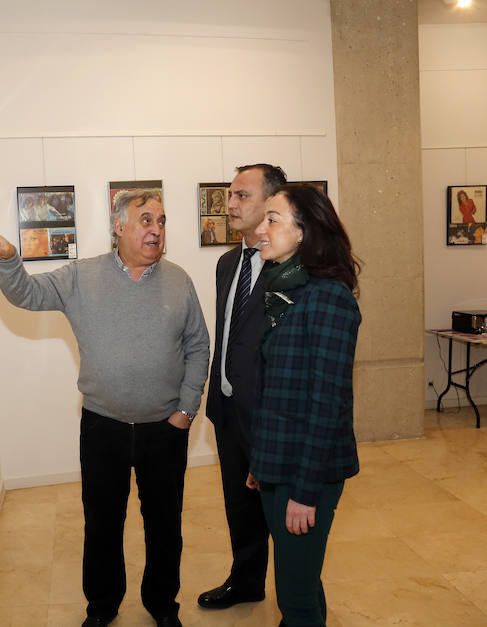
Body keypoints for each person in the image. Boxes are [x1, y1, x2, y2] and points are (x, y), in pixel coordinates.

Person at [0, 189, 209, 627]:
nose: (156, 229)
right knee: (101, 525)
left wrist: (187, 410)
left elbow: (198, 345)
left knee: (164, 527)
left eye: (162, 221)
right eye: (146, 220)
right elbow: (27, 293)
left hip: (165, 429)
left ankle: (161, 605)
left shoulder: (179, 280)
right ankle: (101, 607)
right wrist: (7, 257)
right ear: (119, 226)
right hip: (104, 428)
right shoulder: (81, 276)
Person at [247, 183, 361, 627]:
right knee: (302, 578)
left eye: (272, 219)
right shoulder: (281, 291)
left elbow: (326, 403)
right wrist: (261, 460)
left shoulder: (329, 299)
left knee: (293, 595)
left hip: (307, 470)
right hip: (277, 460)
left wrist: (304, 491)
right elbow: (273, 388)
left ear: (303, 232)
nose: (260, 229)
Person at [198, 163, 287, 610]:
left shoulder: (290, 270)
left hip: (272, 415)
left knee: (288, 517)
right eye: (229, 195)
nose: (230, 204)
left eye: (241, 196)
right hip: (229, 411)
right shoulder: (227, 262)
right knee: (240, 506)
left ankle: (300, 604)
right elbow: (228, 332)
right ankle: (246, 581)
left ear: (271, 202)